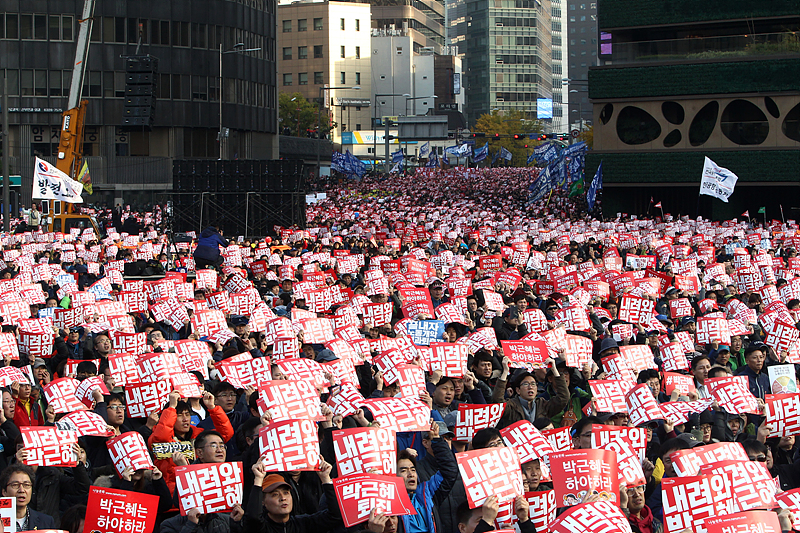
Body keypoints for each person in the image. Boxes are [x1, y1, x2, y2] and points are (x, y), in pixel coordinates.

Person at [243, 457, 342, 533]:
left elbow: (335, 515)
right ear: (263, 502)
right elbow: (253, 517)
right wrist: (258, 479)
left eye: (286, 493)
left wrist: (325, 479)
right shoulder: (261, 528)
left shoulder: (303, 523)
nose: (283, 498)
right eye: (275, 494)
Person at [0, 464, 55, 530]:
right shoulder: (1, 519)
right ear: (4, 492)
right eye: (15, 485)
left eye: (26, 485)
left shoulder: (46, 522)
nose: (21, 490)